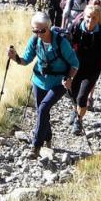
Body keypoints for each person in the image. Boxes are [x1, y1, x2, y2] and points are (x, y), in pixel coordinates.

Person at [6, 12, 79, 159]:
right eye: (35, 31)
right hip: (39, 81)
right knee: (42, 111)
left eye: (42, 30)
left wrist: (70, 78)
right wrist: (15, 58)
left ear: (49, 27)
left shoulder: (61, 42)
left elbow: (74, 63)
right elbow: (25, 60)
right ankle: (48, 137)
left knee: (43, 108)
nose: (39, 34)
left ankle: (36, 146)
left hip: (59, 82)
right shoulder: (35, 41)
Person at [67, 5, 101, 135]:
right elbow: (67, 43)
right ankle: (75, 111)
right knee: (73, 93)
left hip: (93, 69)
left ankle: (78, 121)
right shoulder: (76, 28)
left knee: (82, 96)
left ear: (98, 19)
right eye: (88, 17)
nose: (90, 20)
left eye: (94, 18)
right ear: (84, 16)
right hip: (76, 67)